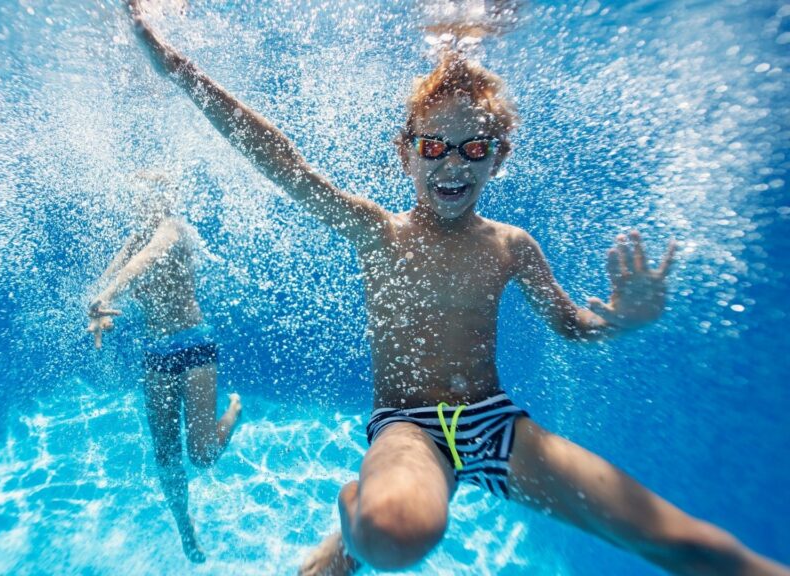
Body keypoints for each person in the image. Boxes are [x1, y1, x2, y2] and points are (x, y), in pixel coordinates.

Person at [120, 2, 790, 575]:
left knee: (694, 545)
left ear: (499, 156)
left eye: (474, 149)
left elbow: (570, 328)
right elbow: (278, 159)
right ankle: (351, 535)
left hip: (495, 423)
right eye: (434, 146)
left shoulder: (511, 246)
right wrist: (176, 68)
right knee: (394, 536)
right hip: (407, 429)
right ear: (405, 150)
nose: (451, 163)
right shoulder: (376, 232)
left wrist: (620, 322)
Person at [87, 176, 241, 563]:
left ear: (165, 199)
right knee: (166, 455)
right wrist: (97, 304)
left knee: (203, 454)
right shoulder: (137, 237)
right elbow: (109, 277)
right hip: (156, 353)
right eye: (138, 199)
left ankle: (235, 410)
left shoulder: (174, 229)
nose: (143, 205)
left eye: (150, 197)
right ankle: (185, 526)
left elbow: (147, 260)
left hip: (193, 342)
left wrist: (108, 293)